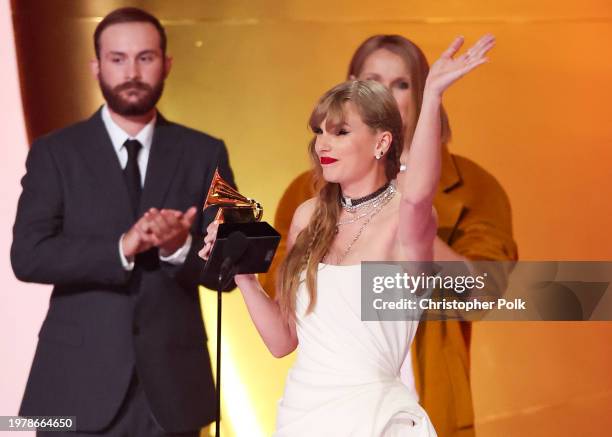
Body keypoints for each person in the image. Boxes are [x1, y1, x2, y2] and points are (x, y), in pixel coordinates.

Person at [201, 35, 495, 436]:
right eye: (319, 131)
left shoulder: (403, 219)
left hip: (376, 418)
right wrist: (244, 276)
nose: (323, 143)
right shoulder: (307, 216)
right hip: (302, 416)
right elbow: (282, 342)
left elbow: (421, 190)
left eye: (340, 132)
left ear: (381, 142)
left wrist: (434, 96)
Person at [11, 7, 234, 436]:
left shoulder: (205, 152)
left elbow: (230, 269)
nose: (132, 71)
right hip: (72, 389)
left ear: (167, 64)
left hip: (175, 394)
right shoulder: (55, 153)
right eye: (118, 59)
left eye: (145, 58)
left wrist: (178, 248)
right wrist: (122, 248)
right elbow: (28, 256)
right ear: (96, 66)